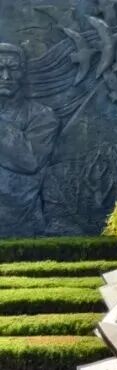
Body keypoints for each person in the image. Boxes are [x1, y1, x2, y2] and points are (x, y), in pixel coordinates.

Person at [0, 42, 60, 235]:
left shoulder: (42, 115)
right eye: (0, 69)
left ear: (23, 72)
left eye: (13, 69)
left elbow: (30, 160)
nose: (6, 77)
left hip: (20, 222)